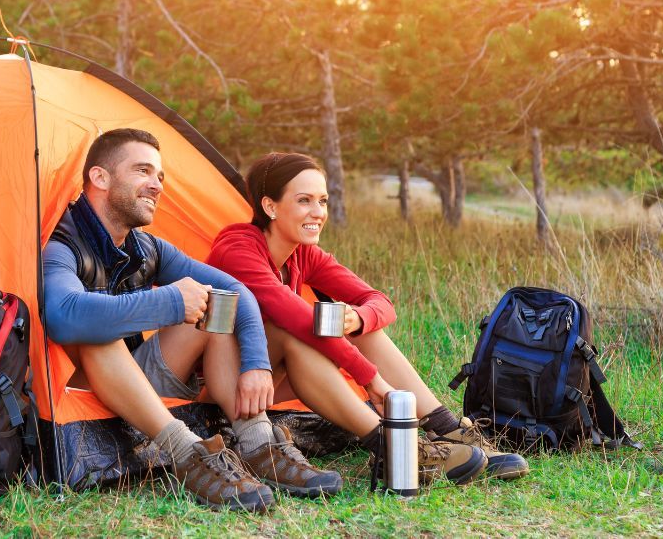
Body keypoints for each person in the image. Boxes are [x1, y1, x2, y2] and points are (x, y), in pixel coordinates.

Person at [40, 130, 342, 512]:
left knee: (217, 305)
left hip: (134, 382)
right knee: (97, 332)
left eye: (160, 176)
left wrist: (255, 363)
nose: (156, 185)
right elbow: (63, 316)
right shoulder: (61, 245)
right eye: (143, 171)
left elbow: (236, 291)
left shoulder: (145, 247)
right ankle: (187, 455)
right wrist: (166, 301)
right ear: (100, 178)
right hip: (78, 394)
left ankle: (258, 443)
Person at [206, 152, 530, 485]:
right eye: (304, 200)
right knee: (297, 332)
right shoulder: (238, 248)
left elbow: (380, 302)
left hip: (266, 377)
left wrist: (358, 318)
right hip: (222, 380)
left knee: (360, 328)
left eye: (323, 200)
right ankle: (397, 447)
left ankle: (447, 429)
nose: (318, 212)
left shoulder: (302, 253)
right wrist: (371, 379)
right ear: (270, 207)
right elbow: (296, 318)